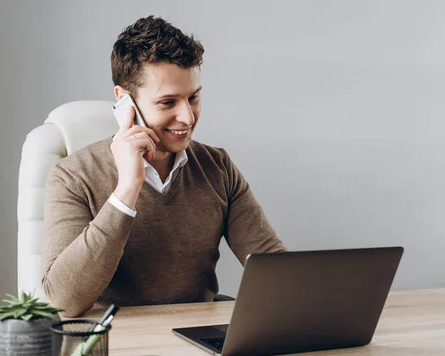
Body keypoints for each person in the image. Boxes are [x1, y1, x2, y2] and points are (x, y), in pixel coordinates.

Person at [42, 16, 286, 317]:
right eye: (168, 102)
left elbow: (276, 269)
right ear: (125, 101)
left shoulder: (217, 168)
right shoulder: (73, 176)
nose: (187, 117)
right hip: (113, 345)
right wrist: (127, 188)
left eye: (193, 98)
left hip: (199, 341)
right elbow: (63, 301)